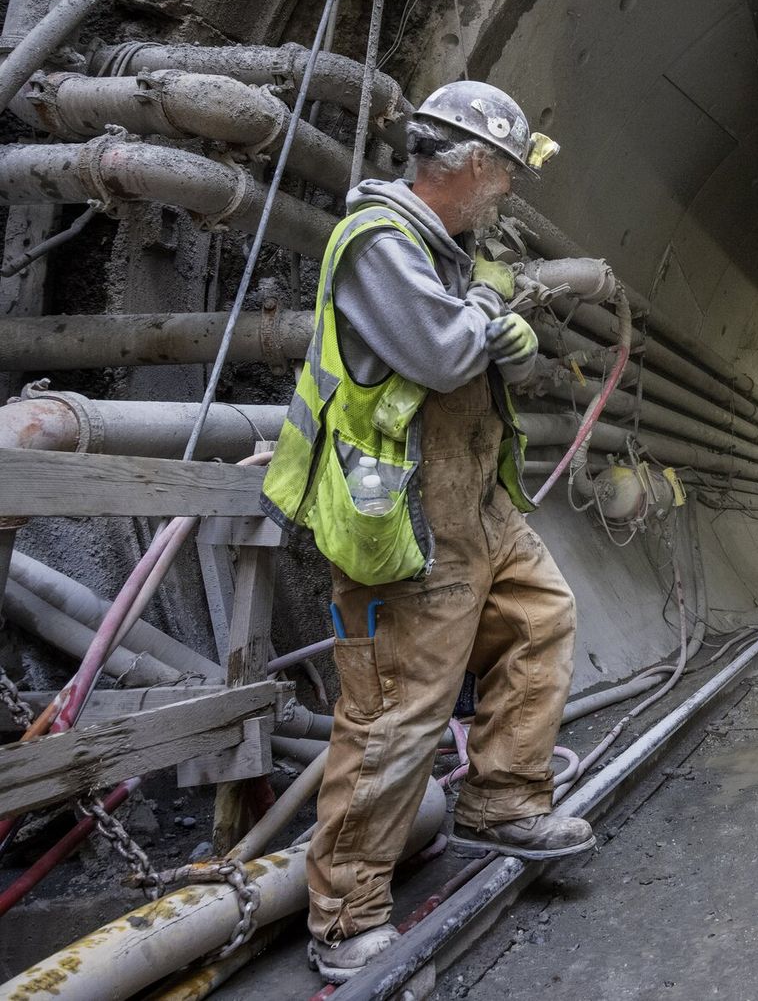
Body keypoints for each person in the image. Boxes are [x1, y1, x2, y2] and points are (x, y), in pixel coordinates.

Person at [259, 81, 587, 983]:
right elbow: (443, 353)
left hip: (476, 503)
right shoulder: (376, 243)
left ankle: (502, 799)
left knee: (542, 618)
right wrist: (493, 318)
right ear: (474, 164)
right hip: (401, 514)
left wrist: (492, 318)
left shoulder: (447, 249)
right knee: (397, 709)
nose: (510, 191)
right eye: (508, 174)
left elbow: (467, 340)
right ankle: (346, 914)